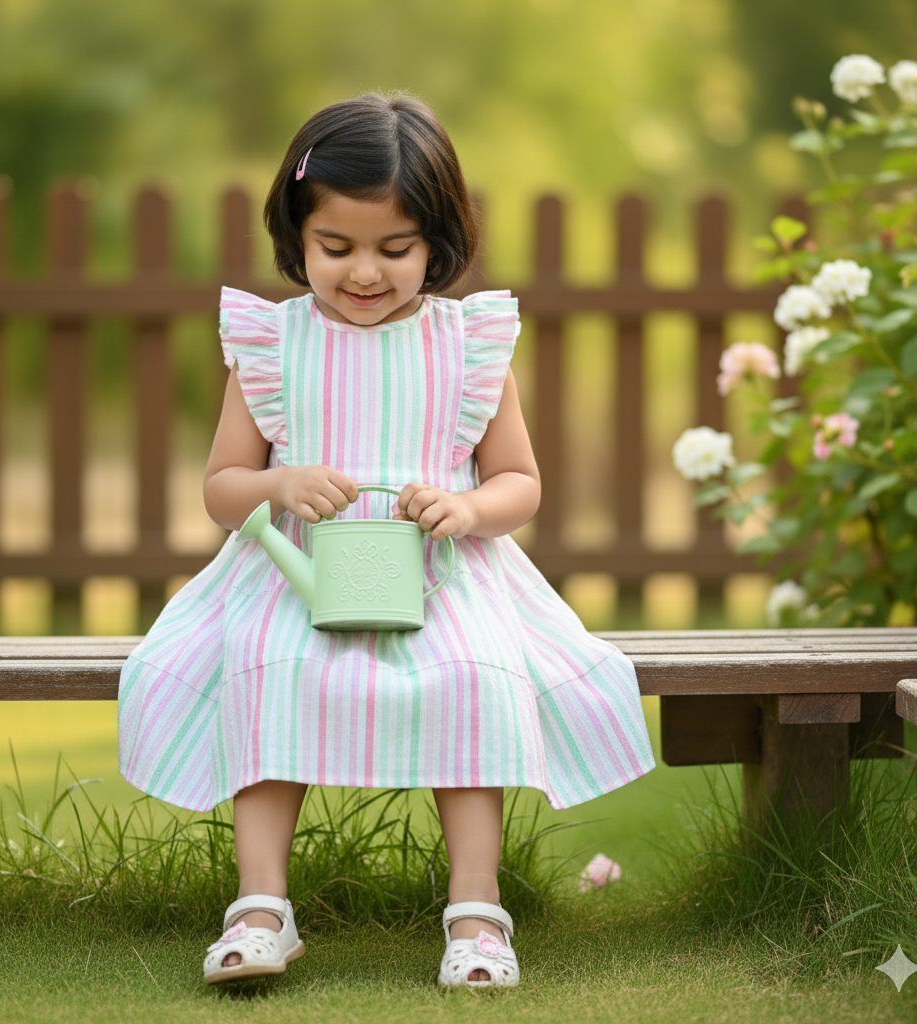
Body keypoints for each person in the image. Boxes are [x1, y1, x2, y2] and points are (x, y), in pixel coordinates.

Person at [117, 92, 655, 989]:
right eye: (337, 248)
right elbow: (220, 488)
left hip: (445, 575)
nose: (364, 272)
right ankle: (260, 907)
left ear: (438, 241)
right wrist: (277, 483)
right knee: (264, 664)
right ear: (299, 236)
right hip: (296, 577)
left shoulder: (468, 344)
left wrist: (468, 508)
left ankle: (477, 912)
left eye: (394, 250)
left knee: (474, 673)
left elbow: (520, 480)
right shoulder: (273, 344)